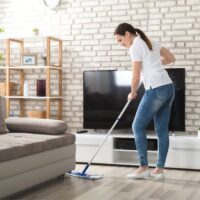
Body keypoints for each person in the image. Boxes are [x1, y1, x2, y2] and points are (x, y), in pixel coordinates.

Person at [114, 23, 175, 180]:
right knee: (161, 129)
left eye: (120, 40)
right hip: (168, 87)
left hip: (155, 88)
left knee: (137, 126)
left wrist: (132, 92)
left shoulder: (135, 46)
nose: (120, 44)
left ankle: (143, 168)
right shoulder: (151, 41)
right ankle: (159, 170)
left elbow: (135, 77)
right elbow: (171, 58)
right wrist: (154, 65)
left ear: (127, 34)